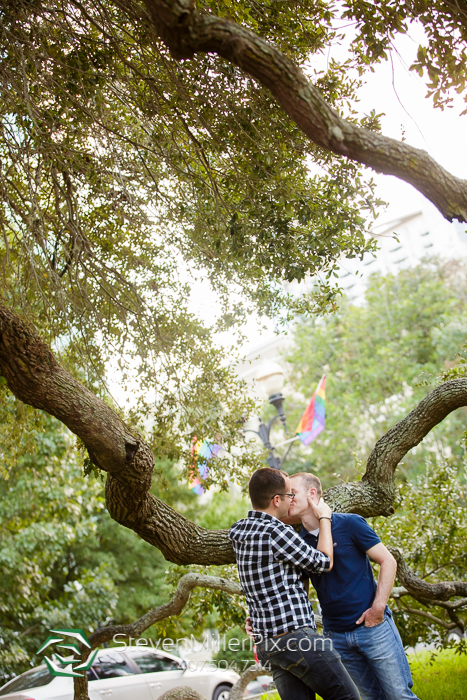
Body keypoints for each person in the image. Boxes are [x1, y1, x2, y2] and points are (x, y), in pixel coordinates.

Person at [229, 467, 360, 700]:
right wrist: (324, 518)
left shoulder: (238, 531)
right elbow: (324, 562)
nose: (291, 499)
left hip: (268, 644)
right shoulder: (277, 532)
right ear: (276, 499)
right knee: (348, 696)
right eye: (289, 495)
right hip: (295, 637)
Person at [286, 471, 419, 700]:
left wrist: (378, 608)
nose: (288, 498)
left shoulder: (350, 523)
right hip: (336, 635)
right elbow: (300, 591)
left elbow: (388, 561)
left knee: (399, 696)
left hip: (374, 628)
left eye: (293, 493)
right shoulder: (299, 543)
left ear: (312, 494)